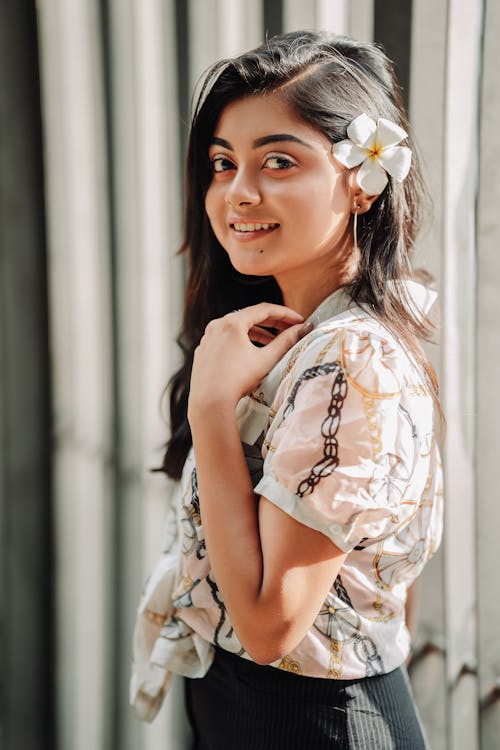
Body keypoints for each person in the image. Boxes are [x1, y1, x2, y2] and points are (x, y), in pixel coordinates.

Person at [130, 30, 444, 749]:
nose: (239, 192)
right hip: (258, 711)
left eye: (279, 160)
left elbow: (270, 625)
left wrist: (211, 408)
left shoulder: (354, 359)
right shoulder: (312, 338)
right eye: (222, 163)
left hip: (310, 721)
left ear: (364, 177)